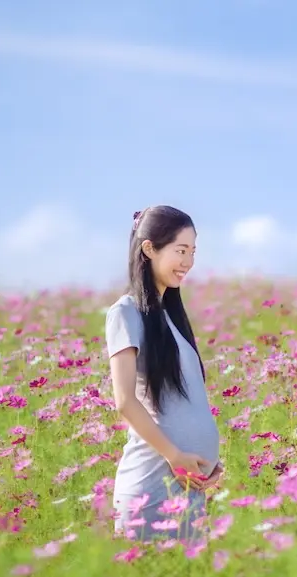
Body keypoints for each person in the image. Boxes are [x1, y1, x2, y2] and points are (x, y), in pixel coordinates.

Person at [105, 204, 223, 544]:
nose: (188, 262)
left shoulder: (173, 321)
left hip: (189, 486)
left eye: (193, 252)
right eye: (180, 251)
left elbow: (184, 404)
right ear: (149, 249)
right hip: (151, 488)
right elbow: (125, 402)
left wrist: (206, 463)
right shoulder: (124, 313)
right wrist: (175, 455)